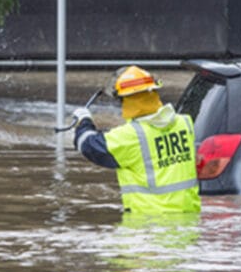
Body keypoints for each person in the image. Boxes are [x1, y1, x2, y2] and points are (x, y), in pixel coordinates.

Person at [72, 66, 202, 216]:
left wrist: (84, 121)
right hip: (189, 218)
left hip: (148, 222)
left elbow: (88, 145)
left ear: (126, 101)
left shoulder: (131, 136)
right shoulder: (184, 122)